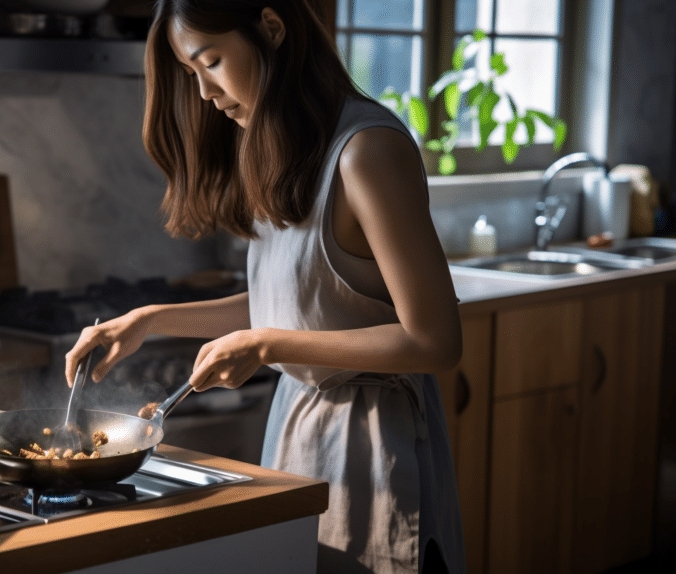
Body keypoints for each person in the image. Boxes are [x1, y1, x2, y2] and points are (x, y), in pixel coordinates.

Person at [64, 1, 465, 572]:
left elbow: (435, 341)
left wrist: (268, 345)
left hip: (376, 446)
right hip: (300, 434)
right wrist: (151, 320)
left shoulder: (367, 150)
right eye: (191, 73)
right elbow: (303, 302)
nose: (204, 92)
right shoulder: (283, 145)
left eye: (212, 62)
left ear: (271, 29)